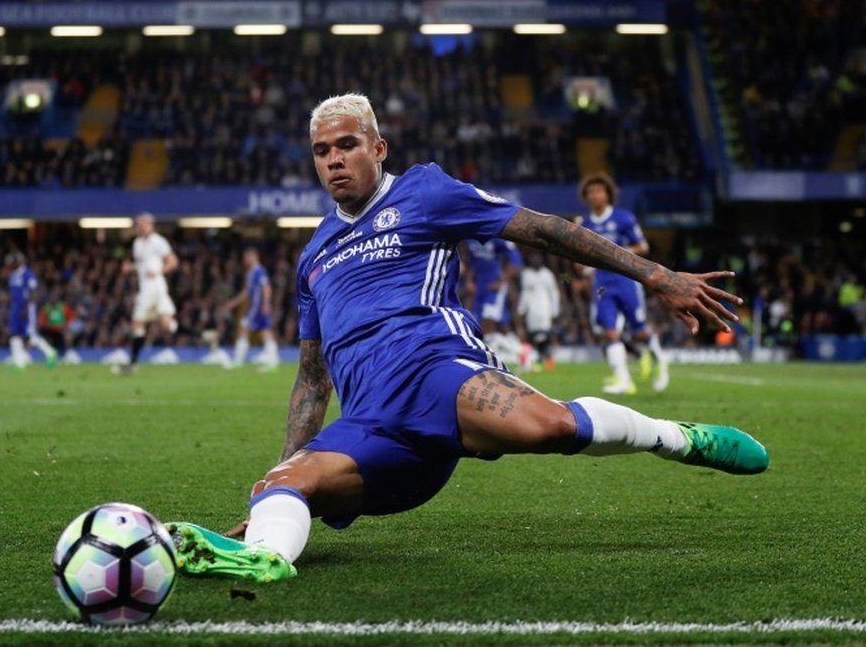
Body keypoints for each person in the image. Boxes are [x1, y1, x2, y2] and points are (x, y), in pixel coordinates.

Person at [165, 93, 768, 582]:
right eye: (321, 151)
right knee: (277, 486)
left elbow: (544, 229)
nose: (333, 161)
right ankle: (263, 557)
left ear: (378, 147)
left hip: (438, 374)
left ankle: (676, 438)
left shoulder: (423, 192)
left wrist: (658, 275)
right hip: (371, 425)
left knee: (553, 427)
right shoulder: (313, 255)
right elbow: (311, 380)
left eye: (347, 145)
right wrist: (283, 474)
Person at [577, 173, 669, 394]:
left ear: (608, 194)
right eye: (590, 192)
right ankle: (624, 380)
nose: (594, 195)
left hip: (626, 280)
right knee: (609, 331)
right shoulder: (586, 223)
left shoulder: (623, 218)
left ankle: (660, 361)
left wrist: (617, 254)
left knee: (639, 331)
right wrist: (583, 267)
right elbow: (583, 257)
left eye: (599, 191)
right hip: (602, 283)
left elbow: (642, 247)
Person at [114, 213, 179, 375]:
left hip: (155, 287)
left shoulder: (159, 241)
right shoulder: (137, 244)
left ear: (151, 225)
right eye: (139, 224)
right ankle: (205, 336)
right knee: (166, 324)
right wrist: (132, 268)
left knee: (138, 323)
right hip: (147, 288)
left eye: (143, 224)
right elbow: (142, 265)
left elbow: (173, 262)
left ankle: (132, 364)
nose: (140, 226)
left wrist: (159, 271)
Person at [460, 237, 525, 366]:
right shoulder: (470, 239)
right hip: (479, 288)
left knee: (488, 324)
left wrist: (502, 281)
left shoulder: (496, 237)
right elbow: (471, 262)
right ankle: (518, 350)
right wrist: (469, 281)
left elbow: (516, 262)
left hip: (494, 287)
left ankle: (520, 351)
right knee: (482, 327)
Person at [221, 246, 279, 370]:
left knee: (250, 330)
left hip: (256, 308)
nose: (245, 260)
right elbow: (247, 292)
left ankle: (238, 361)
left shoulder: (259, 271)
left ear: (254, 257)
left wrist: (266, 304)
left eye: (247, 257)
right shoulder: (251, 272)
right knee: (262, 332)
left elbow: (266, 287)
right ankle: (272, 361)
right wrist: (233, 303)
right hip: (253, 308)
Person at [6, 253, 57, 370]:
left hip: (27, 308)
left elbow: (34, 292)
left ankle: (50, 352)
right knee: (14, 335)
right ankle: (19, 363)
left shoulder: (28, 274)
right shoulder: (12, 275)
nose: (10, 264)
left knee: (31, 336)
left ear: (19, 261)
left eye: (12, 261)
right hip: (15, 308)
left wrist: (27, 307)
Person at [517, 251, 560, 372]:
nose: (535, 261)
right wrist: (521, 310)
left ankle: (549, 359)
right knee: (532, 337)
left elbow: (554, 293)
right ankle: (534, 360)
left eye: (537, 258)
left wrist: (554, 311)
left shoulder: (547, 274)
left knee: (546, 336)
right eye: (533, 259)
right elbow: (524, 294)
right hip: (532, 310)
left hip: (545, 308)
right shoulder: (526, 274)